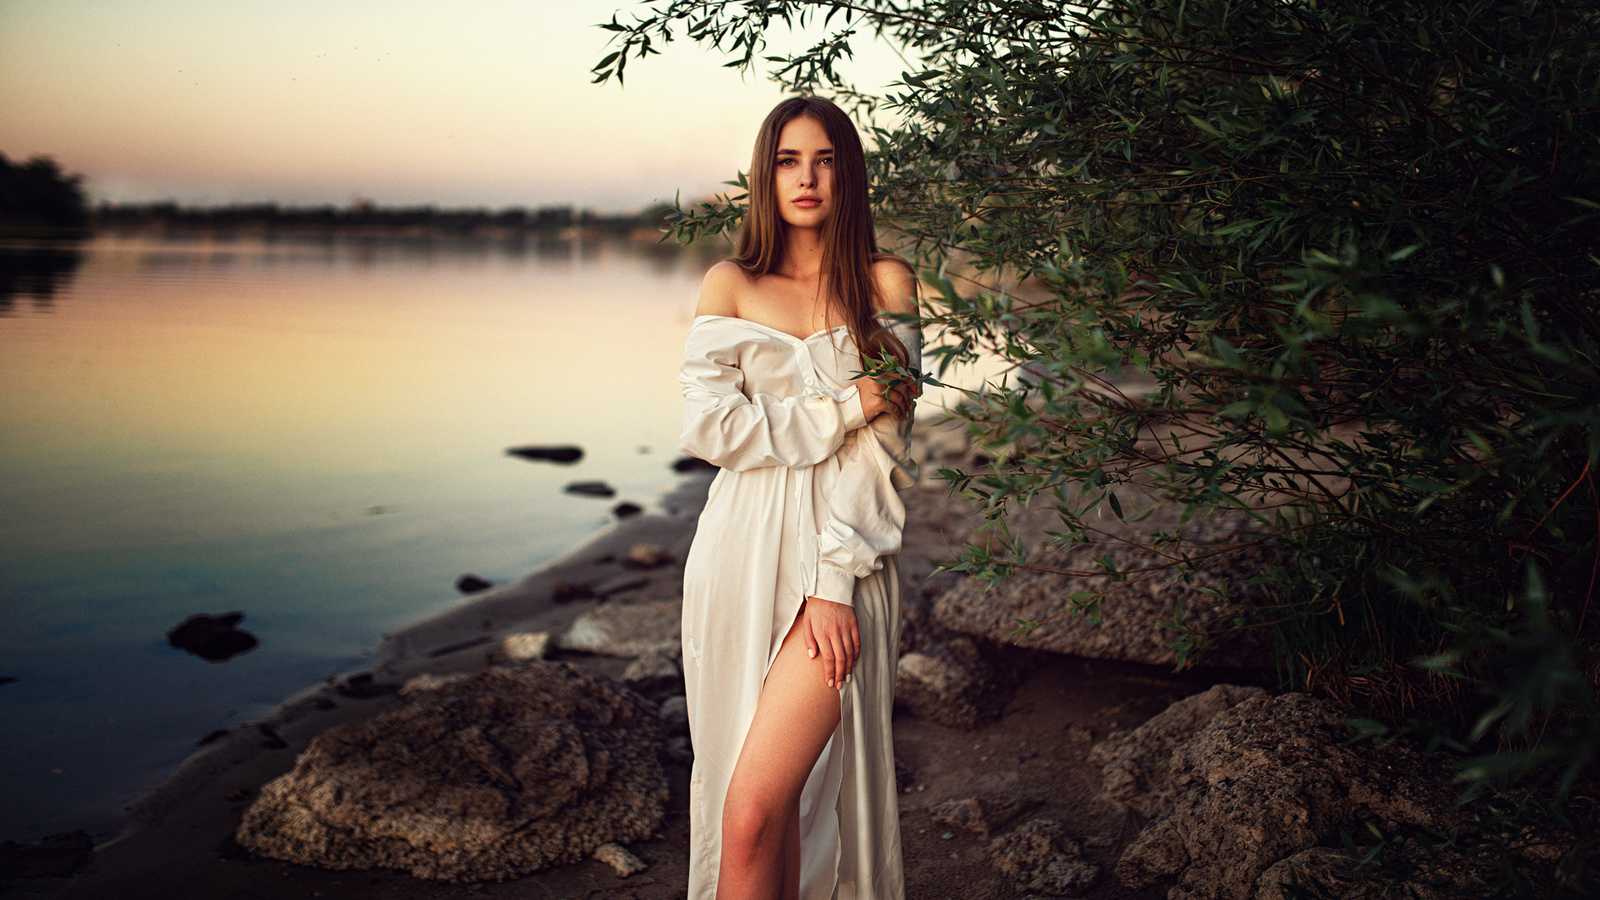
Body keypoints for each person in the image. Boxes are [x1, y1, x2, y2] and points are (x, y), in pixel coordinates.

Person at [677, 95, 920, 900]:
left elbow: (882, 455)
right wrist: (850, 405)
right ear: (765, 176)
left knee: (753, 807)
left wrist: (834, 582)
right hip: (737, 551)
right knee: (753, 817)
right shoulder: (731, 283)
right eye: (787, 161)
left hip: (841, 559)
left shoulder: (885, 282)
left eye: (823, 160)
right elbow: (711, 428)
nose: (806, 177)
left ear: (847, 174)